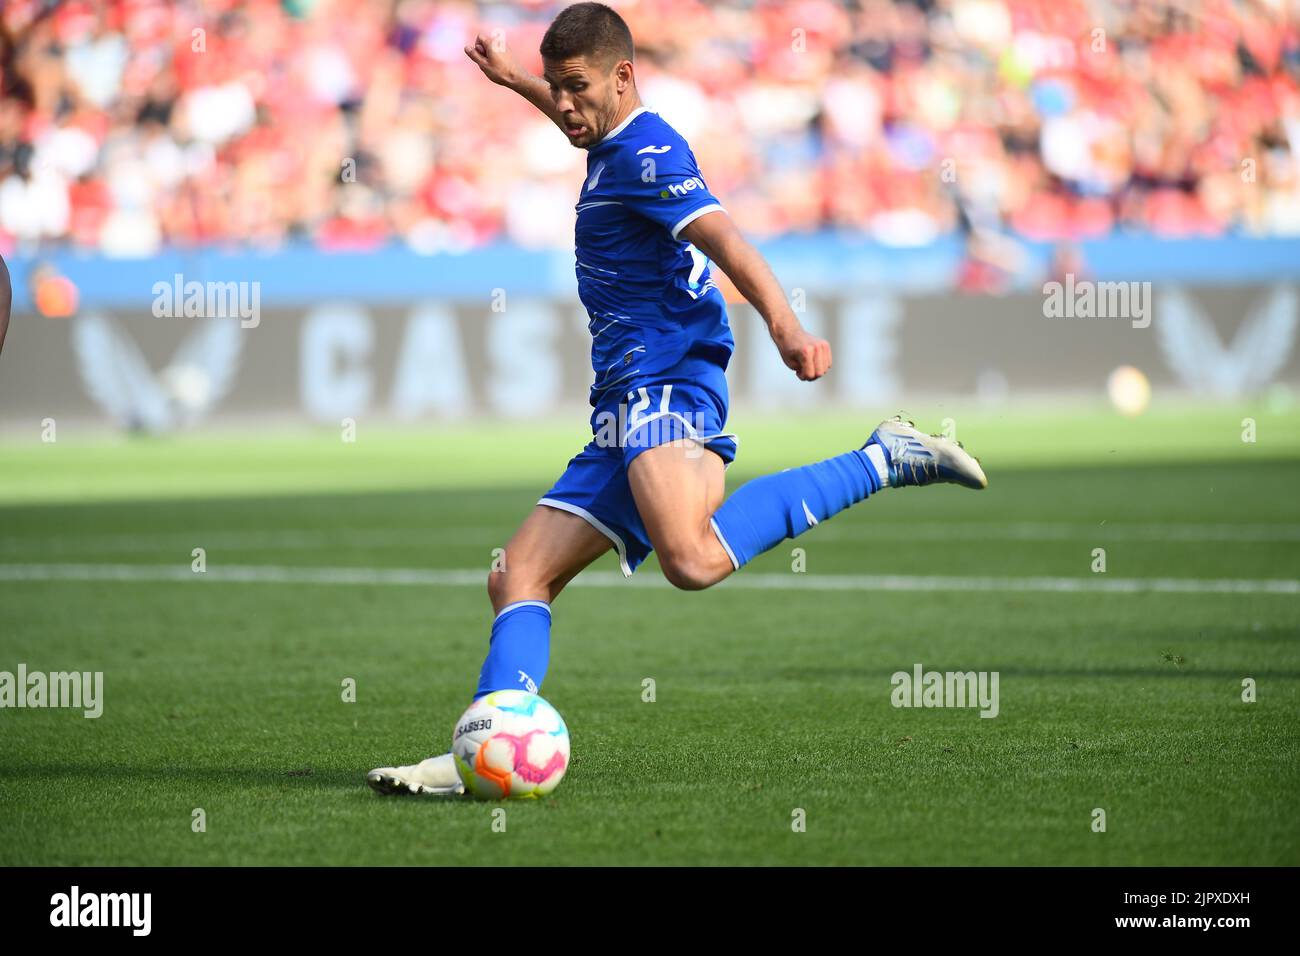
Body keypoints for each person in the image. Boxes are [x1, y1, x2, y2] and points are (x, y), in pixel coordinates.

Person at [368, 3, 986, 795]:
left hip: (667, 381)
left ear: (624, 78)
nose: (563, 105)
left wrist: (786, 325)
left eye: (576, 88)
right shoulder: (607, 137)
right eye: (555, 88)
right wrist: (516, 79)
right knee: (517, 577)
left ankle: (883, 458)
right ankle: (484, 747)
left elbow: (727, 238)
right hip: (623, 403)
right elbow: (569, 117)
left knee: (690, 559)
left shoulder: (650, 150)